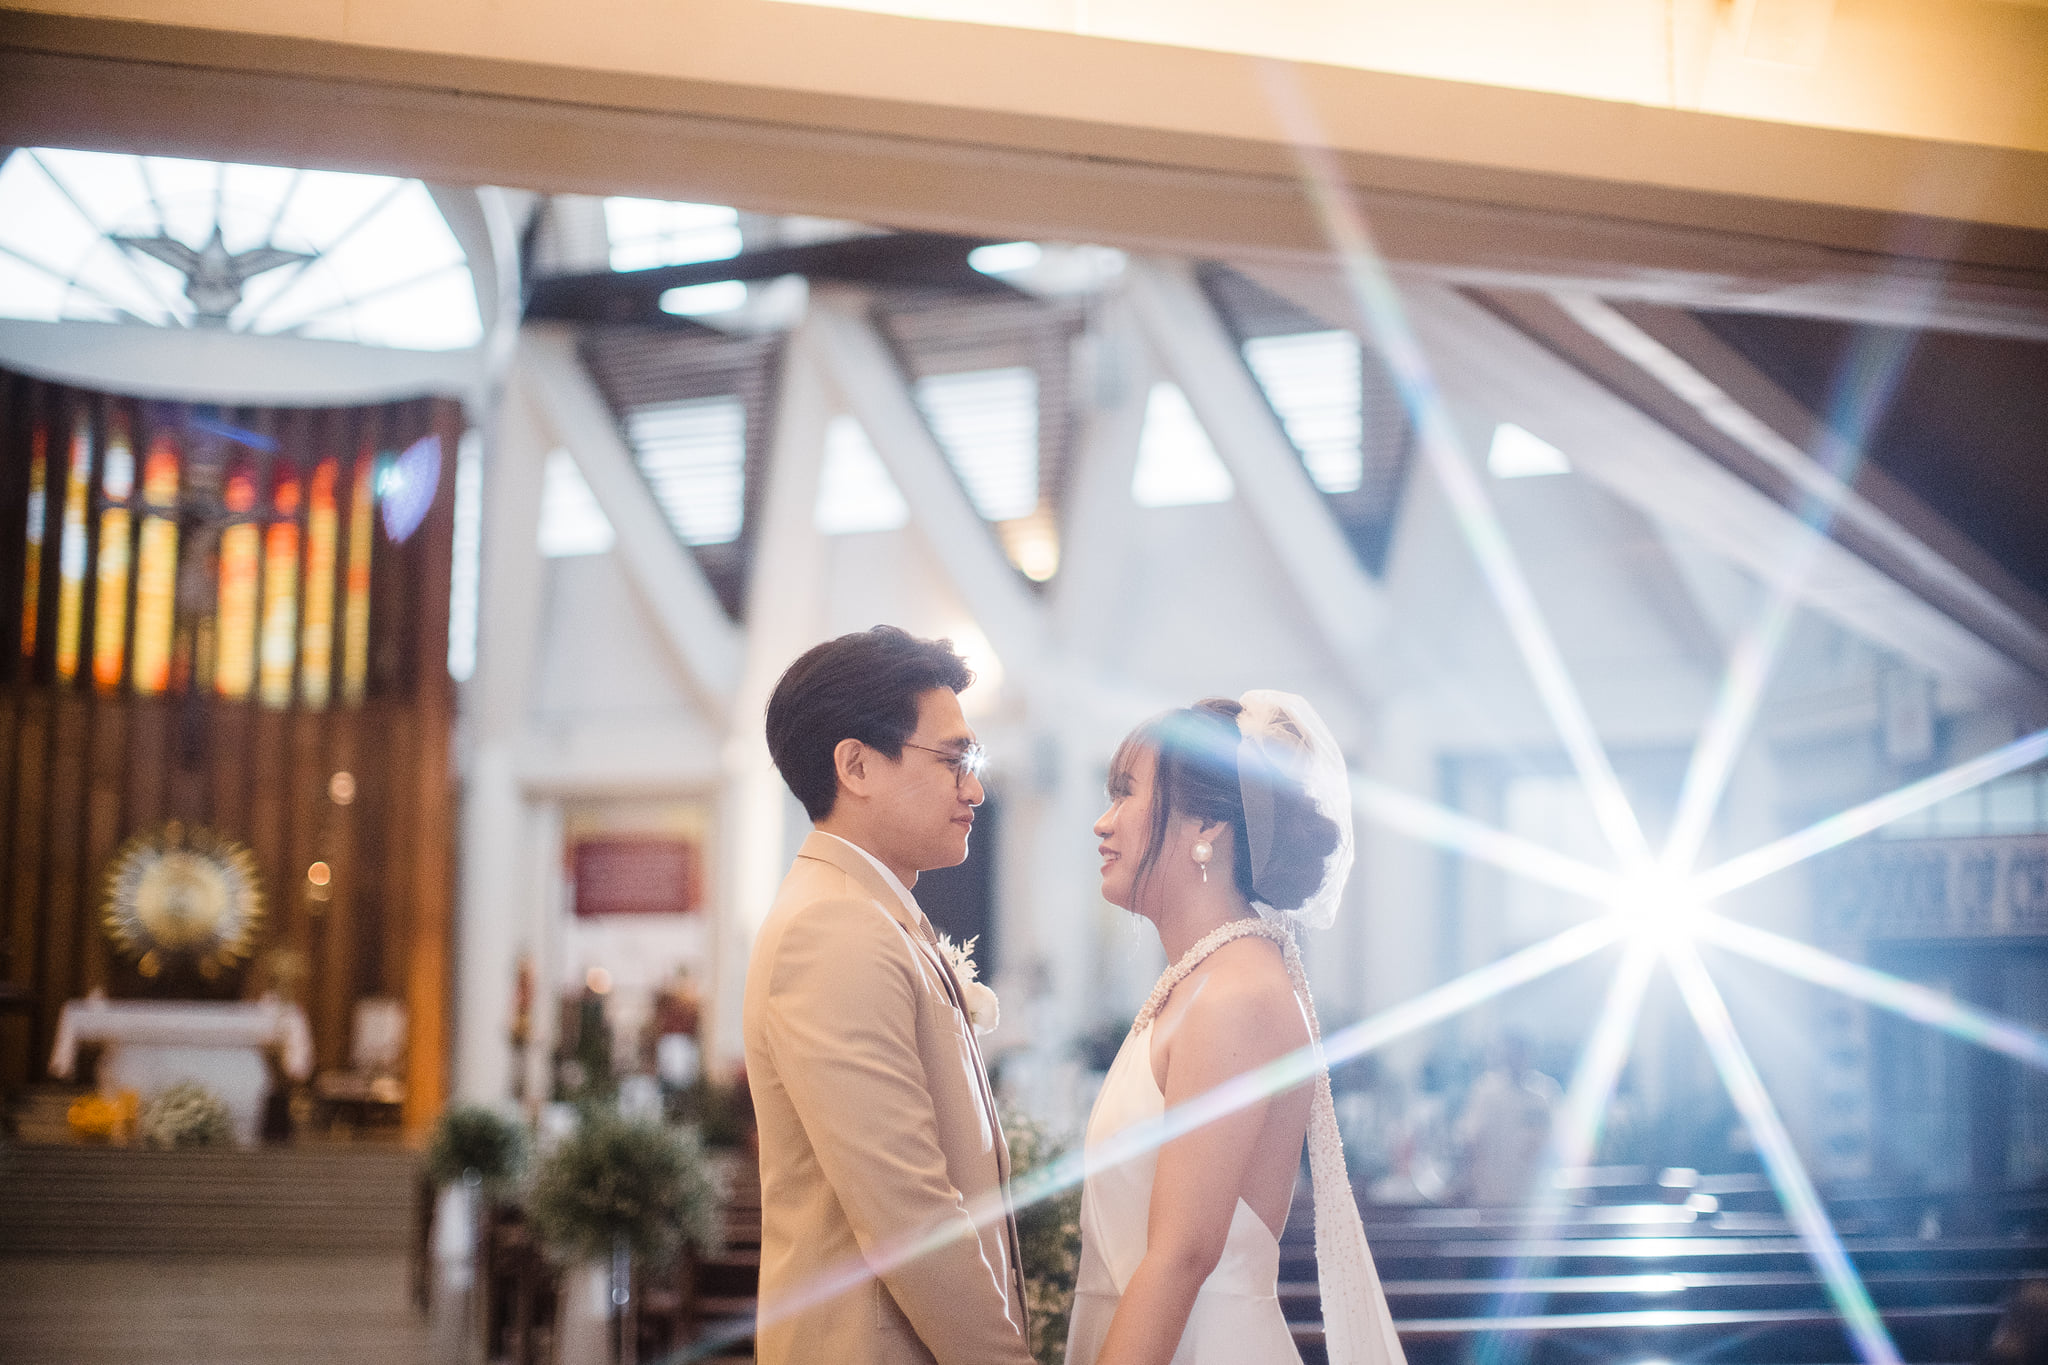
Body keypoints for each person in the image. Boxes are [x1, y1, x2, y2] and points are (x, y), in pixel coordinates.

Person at [1067, 693, 1406, 1365]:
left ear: (1207, 824)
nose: (1103, 822)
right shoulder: (1202, 979)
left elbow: (1181, 1258)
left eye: (1126, 793)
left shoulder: (1236, 996)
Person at [744, 626, 1033, 1365]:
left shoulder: (872, 912)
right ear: (857, 765)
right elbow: (909, 1213)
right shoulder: (834, 927)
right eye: (954, 759)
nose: (975, 788)